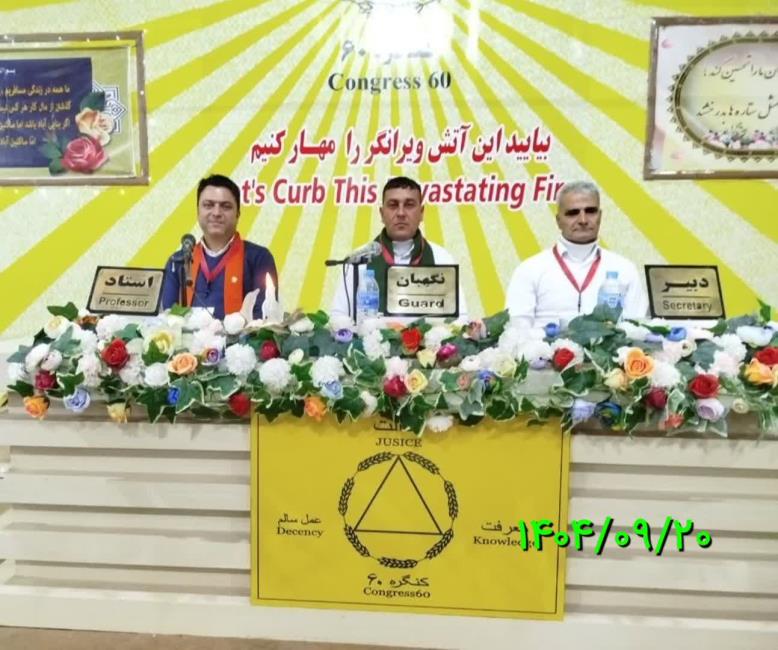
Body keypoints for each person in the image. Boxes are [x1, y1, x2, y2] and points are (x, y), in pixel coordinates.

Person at [505, 180, 648, 328]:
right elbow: (516, 331)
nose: (583, 220)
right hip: (544, 344)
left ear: (600, 216)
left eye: (590, 211)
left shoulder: (624, 268)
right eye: (573, 213)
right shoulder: (530, 269)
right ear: (558, 221)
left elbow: (637, 329)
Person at [330, 176, 467, 321]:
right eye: (393, 205)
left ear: (421, 212)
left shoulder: (441, 257)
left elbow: (460, 318)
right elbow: (338, 315)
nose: (401, 213)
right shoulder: (359, 259)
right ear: (382, 213)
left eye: (409, 205)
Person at [161, 174, 278, 320]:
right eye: (208, 205)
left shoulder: (258, 258)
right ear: (198, 212)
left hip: (240, 335)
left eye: (226, 206)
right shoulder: (178, 261)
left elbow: (263, 317)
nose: (216, 213)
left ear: (238, 214)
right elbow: (169, 318)